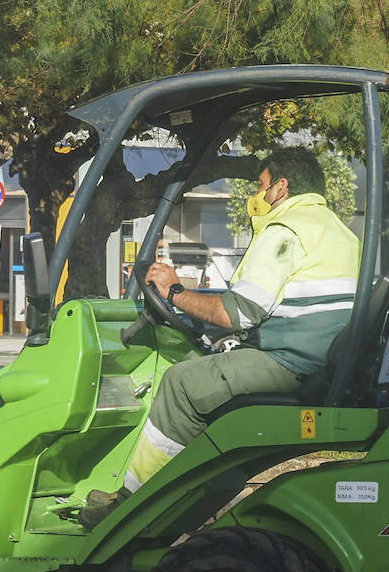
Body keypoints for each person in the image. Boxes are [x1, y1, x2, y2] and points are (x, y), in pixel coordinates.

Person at [82, 147, 360, 527]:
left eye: (261, 186)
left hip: (291, 361)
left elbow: (237, 312)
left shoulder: (286, 230)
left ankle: (131, 508)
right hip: (319, 356)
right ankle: (180, 492)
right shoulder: (336, 231)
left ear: (281, 187)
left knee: (180, 383)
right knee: (202, 364)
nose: (257, 196)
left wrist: (175, 292)